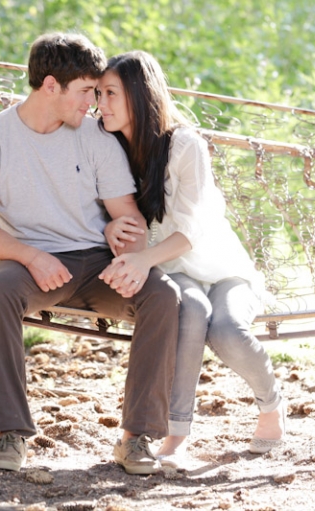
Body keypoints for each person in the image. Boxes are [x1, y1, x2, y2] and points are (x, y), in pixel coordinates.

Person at [0, 34, 180, 476]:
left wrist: (132, 261)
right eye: (86, 92)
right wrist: (31, 257)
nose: (93, 104)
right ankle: (11, 433)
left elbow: (127, 217)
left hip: (97, 263)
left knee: (164, 295)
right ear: (51, 86)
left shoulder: (95, 137)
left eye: (98, 93)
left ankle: (137, 439)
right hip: (30, 263)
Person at [97, 50, 286, 470]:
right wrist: (110, 229)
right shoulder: (108, 146)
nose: (100, 104)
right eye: (97, 93)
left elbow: (193, 227)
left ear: (138, 95)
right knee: (190, 312)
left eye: (110, 93)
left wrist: (144, 260)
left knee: (229, 330)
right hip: (173, 273)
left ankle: (271, 404)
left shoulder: (184, 145)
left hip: (223, 270)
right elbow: (106, 209)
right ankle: (176, 436)